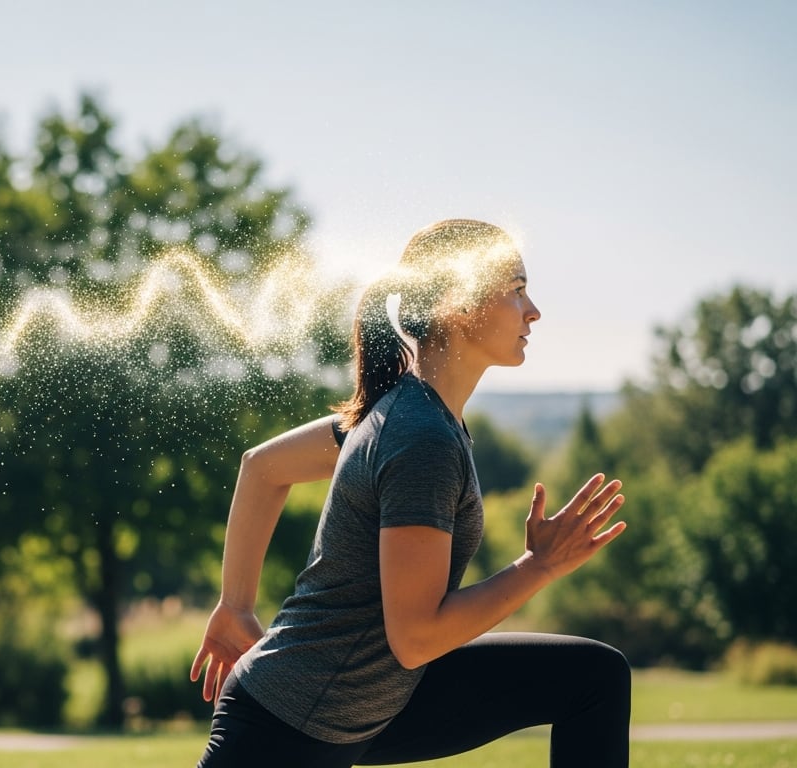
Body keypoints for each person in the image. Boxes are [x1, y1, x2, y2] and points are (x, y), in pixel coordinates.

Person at [189, 219, 632, 767]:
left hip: (371, 706)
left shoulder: (402, 411)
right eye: (516, 291)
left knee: (592, 679)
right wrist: (538, 567)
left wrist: (236, 605)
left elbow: (262, 468)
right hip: (289, 725)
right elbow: (417, 638)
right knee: (592, 678)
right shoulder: (419, 436)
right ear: (455, 304)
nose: (533, 311)